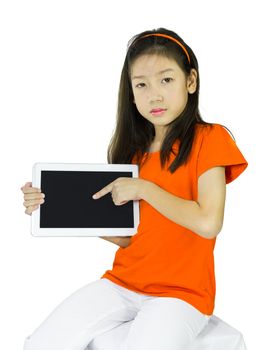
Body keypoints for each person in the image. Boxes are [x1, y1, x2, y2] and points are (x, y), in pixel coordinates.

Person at [20, 27, 248, 350]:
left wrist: (144, 188)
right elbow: (129, 236)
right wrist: (53, 206)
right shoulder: (133, 152)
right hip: (123, 284)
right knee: (41, 343)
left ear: (191, 81)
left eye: (166, 80)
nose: (154, 95)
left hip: (181, 294)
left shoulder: (211, 139)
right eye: (141, 84)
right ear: (131, 92)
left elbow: (209, 221)